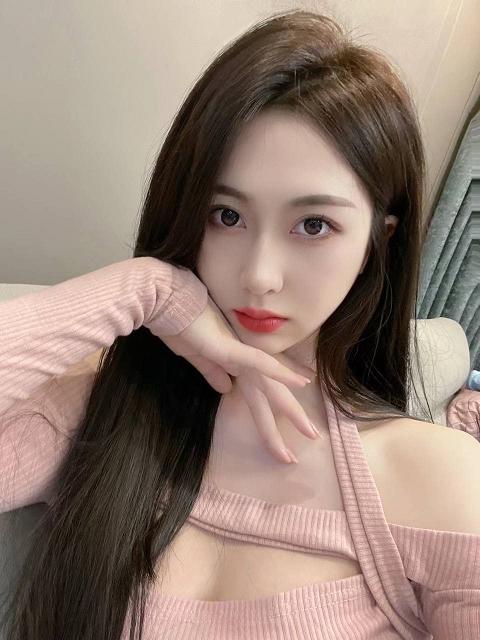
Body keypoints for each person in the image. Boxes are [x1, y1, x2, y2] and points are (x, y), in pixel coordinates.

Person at [1, 9, 480, 640]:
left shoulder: (440, 478)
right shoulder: (105, 412)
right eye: (226, 215)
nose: (259, 276)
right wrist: (143, 290)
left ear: (377, 240)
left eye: (314, 225)